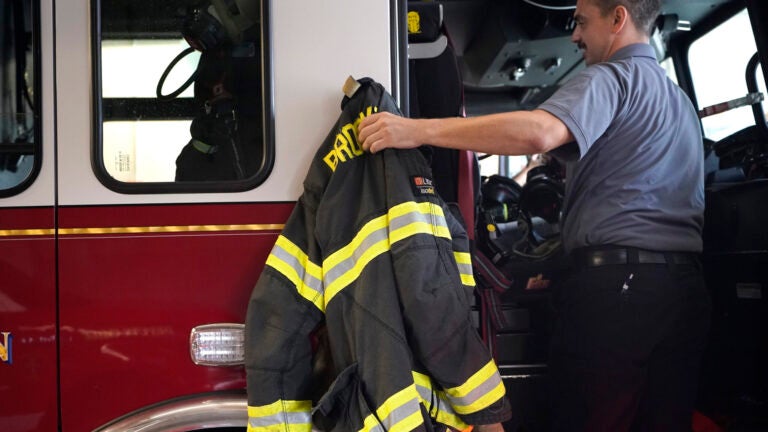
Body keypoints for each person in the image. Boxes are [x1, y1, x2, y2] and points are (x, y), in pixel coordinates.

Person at [358, 0, 711, 430]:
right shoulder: (681, 104)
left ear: (618, 19)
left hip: (618, 296)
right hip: (685, 293)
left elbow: (539, 132)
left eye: (581, 22)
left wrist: (416, 130)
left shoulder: (611, 78)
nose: (576, 36)